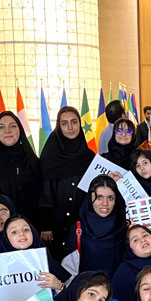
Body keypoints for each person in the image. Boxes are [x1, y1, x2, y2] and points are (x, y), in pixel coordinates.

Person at [39, 106, 94, 257]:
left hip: (81, 224)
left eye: (74, 122)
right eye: (64, 123)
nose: (70, 127)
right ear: (59, 126)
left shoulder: (89, 157)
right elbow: (44, 190)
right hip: (54, 225)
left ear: (80, 124)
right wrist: (46, 225)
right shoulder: (49, 154)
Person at [64, 174, 127, 278]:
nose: (105, 203)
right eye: (99, 197)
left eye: (110, 198)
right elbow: (68, 269)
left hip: (116, 286)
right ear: (90, 198)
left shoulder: (123, 226)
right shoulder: (78, 228)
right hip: (86, 286)